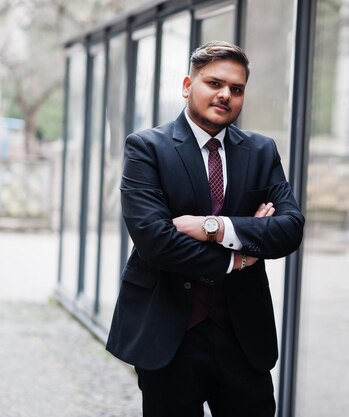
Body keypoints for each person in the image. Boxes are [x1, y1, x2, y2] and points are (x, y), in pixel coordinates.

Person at [105, 40, 305, 417]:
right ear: (187, 85)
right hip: (168, 334)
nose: (225, 94)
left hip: (243, 335)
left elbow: (289, 228)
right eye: (214, 83)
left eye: (236, 88)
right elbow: (155, 241)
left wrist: (213, 226)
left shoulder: (262, 152)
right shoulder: (147, 148)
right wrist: (238, 258)